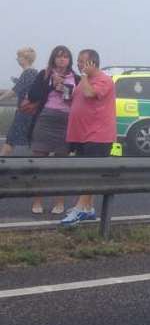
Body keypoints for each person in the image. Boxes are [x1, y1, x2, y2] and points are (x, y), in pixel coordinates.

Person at [61, 49, 117, 226]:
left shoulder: (103, 80)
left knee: (90, 174)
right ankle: (88, 208)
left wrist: (84, 76)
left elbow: (89, 94)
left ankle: (79, 209)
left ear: (93, 63)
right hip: (81, 134)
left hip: (97, 135)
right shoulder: (84, 81)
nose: (78, 64)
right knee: (84, 172)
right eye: (78, 61)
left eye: (82, 61)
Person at [26, 45, 79, 215]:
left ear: (70, 60)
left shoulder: (76, 78)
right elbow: (33, 95)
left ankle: (59, 202)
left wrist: (65, 88)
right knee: (39, 164)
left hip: (65, 122)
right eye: (58, 56)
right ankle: (37, 201)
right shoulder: (45, 73)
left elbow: (80, 100)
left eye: (65, 57)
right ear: (53, 59)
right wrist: (50, 83)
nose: (61, 59)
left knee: (61, 166)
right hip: (45, 119)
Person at [1, 47, 39, 156]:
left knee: (11, 139)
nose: (17, 59)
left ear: (25, 58)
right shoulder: (32, 72)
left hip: (24, 113)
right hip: (28, 112)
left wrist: (1, 98)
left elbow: (14, 91)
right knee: (24, 140)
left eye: (19, 57)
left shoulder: (29, 72)